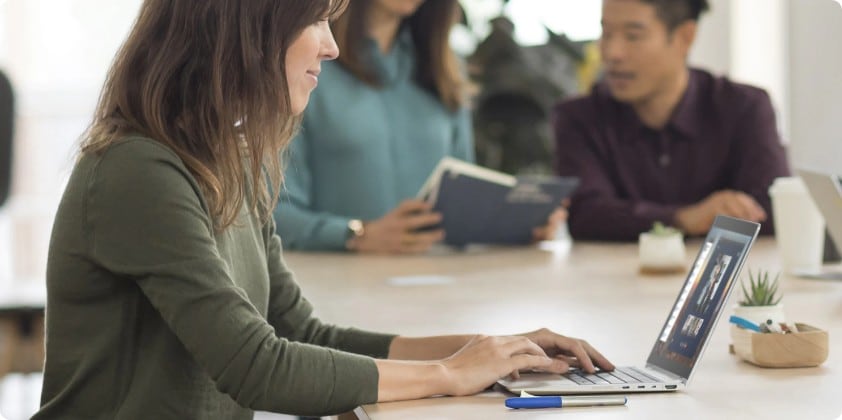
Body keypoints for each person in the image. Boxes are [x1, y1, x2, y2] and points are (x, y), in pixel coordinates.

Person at [34, 1, 613, 419]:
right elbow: (256, 367)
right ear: (247, 29)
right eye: (314, 20)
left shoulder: (234, 160)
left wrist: (490, 351)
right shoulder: (138, 169)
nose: (332, 45)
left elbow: (301, 331)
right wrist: (447, 375)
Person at [273, 0, 563, 254]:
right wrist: (357, 235)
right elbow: (271, 216)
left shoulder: (445, 71)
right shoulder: (307, 68)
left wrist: (517, 225)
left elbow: (464, 203)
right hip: (340, 290)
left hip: (437, 290)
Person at [554, 0, 791, 241]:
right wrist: (683, 218)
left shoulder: (744, 107)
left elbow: (772, 209)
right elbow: (586, 215)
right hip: (612, 276)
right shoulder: (579, 117)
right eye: (606, 33)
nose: (612, 53)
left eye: (633, 36)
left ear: (684, 37)